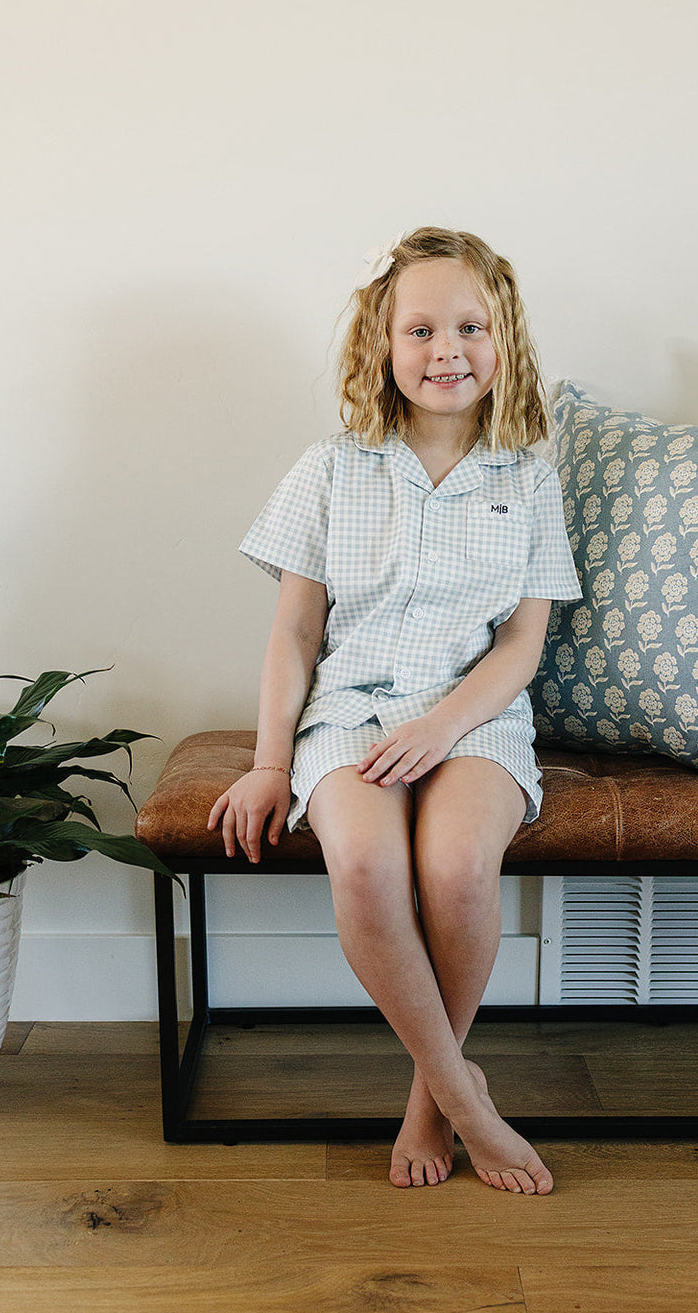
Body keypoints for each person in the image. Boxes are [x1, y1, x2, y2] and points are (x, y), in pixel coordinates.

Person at [208, 226, 581, 1193]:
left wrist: (442, 727)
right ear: (383, 345)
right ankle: (468, 1098)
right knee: (370, 867)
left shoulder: (530, 479)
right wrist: (269, 763)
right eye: (420, 330)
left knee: (455, 866)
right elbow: (296, 632)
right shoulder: (333, 467)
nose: (446, 350)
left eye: (469, 328)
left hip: (474, 719)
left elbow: (521, 646)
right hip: (350, 715)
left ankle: (429, 1097)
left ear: (503, 342)